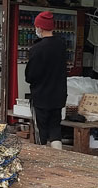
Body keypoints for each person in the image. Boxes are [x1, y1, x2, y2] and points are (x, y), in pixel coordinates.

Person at [24, 11, 67, 149]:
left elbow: (30, 76)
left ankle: (42, 162)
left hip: (41, 97)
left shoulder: (37, 49)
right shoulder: (61, 45)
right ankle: (58, 158)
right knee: (55, 129)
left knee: (40, 132)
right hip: (58, 97)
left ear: (40, 28)